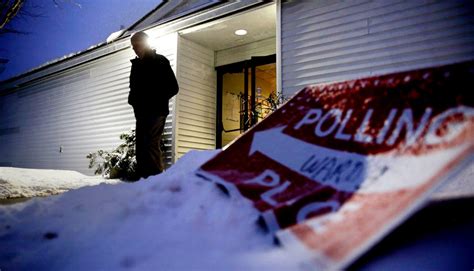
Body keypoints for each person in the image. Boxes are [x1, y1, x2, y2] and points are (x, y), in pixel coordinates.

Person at [128, 31, 179, 179]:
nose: (134, 49)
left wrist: (154, 99)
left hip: (156, 112)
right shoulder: (136, 66)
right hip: (141, 113)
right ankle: (144, 181)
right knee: (141, 147)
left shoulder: (160, 61)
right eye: (132, 46)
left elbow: (173, 87)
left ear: (145, 43)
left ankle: (156, 181)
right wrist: (133, 101)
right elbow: (134, 89)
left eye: (136, 45)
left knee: (150, 145)